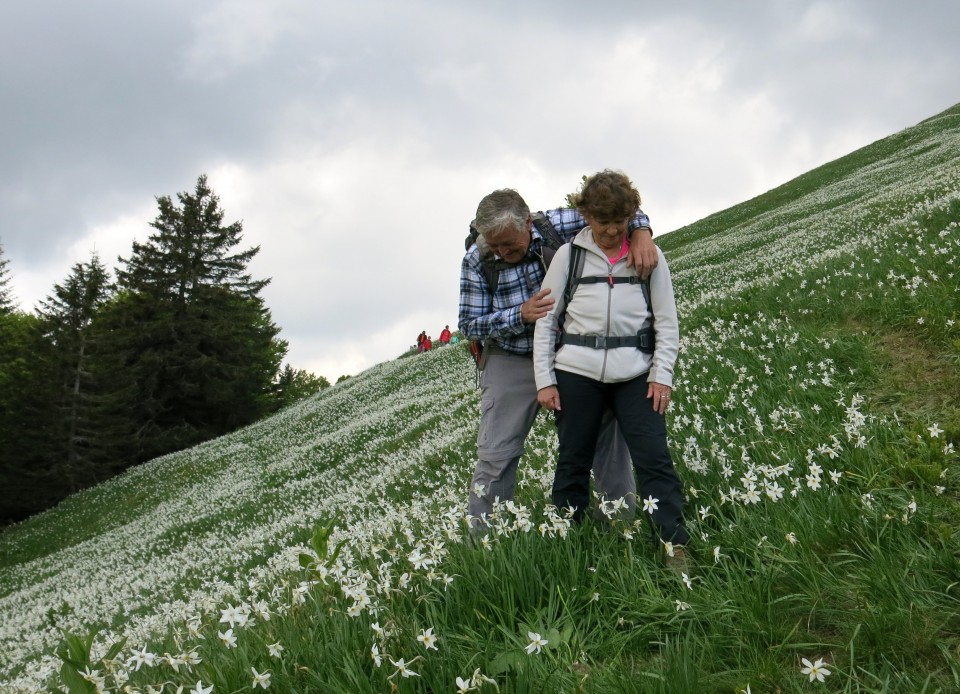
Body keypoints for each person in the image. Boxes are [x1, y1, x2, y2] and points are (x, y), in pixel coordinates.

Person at [459, 188, 659, 532]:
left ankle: (617, 525)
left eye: (510, 243)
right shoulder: (476, 259)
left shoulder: (560, 224)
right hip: (512, 357)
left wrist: (641, 231)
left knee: (606, 439)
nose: (503, 252)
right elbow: (468, 324)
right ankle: (486, 540)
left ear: (526, 222)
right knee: (497, 453)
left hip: (571, 353)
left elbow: (615, 209)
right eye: (495, 246)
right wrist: (518, 315)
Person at [533, 170, 689, 564]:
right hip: (576, 373)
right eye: (603, 223)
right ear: (587, 216)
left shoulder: (648, 257)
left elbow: (666, 321)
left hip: (636, 374)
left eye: (620, 223)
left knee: (654, 459)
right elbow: (547, 321)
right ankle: (567, 545)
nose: (610, 231)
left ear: (631, 216)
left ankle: (675, 546)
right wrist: (544, 380)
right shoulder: (569, 257)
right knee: (572, 460)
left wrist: (661, 375)